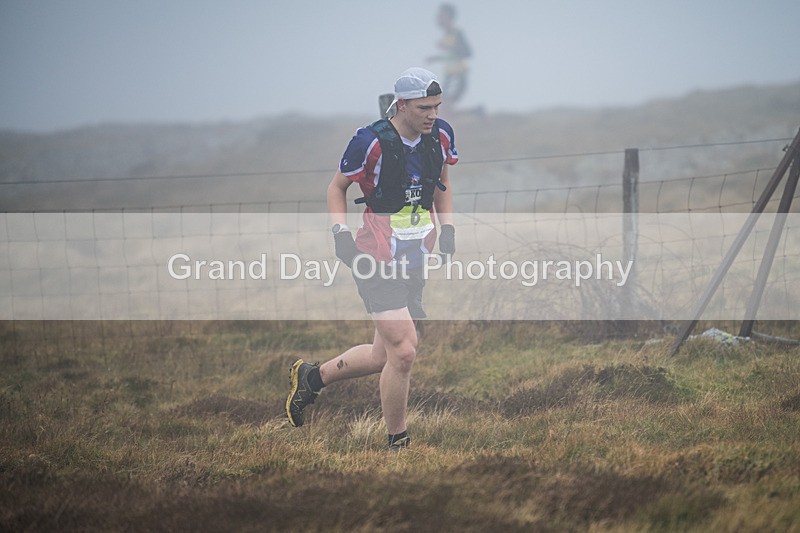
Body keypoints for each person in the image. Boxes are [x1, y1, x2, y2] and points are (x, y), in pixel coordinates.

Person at [285, 67, 459, 452]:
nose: (432, 114)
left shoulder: (440, 135)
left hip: (414, 256)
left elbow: (441, 182)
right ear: (401, 105)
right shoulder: (370, 142)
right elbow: (337, 188)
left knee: (383, 355)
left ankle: (313, 378)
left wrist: (446, 228)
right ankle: (398, 441)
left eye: (436, 106)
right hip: (374, 257)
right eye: (424, 107)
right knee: (405, 350)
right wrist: (340, 234)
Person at [428, 3, 471, 108]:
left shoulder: (456, 33)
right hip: (450, 76)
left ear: (448, 17)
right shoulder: (447, 35)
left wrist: (449, 47)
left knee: (445, 108)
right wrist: (435, 58)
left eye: (440, 15)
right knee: (444, 109)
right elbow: (451, 56)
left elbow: (467, 52)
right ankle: (477, 112)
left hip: (458, 76)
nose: (437, 18)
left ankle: (477, 113)